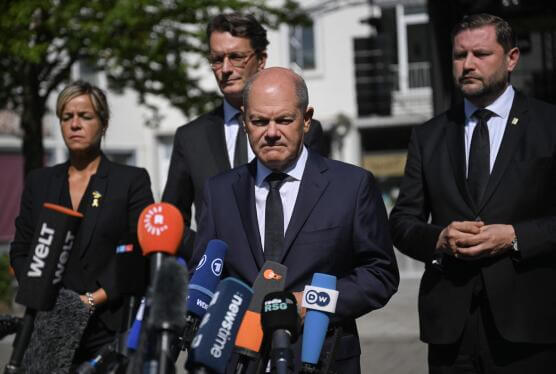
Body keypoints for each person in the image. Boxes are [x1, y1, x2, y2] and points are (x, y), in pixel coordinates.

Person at [191, 67, 399, 373]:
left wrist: (313, 301)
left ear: (306, 119)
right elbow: (204, 276)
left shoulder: (351, 186)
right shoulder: (219, 191)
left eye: (284, 120)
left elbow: (379, 274)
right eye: (260, 121)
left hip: (321, 359)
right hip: (238, 361)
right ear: (245, 121)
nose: (272, 132)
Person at [389, 13, 556, 372]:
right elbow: (402, 222)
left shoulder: (549, 126)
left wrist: (515, 236)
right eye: (459, 55)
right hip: (451, 330)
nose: (467, 65)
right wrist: (440, 238)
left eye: (480, 54)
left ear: (511, 58)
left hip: (531, 327)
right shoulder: (428, 136)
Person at [10, 81, 154, 364]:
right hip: (47, 326)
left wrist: (90, 301)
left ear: (103, 123)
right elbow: (21, 250)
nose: (75, 124)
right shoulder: (39, 182)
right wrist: (48, 299)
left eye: (85, 116)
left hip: (107, 328)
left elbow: (137, 253)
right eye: (67, 117)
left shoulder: (131, 181)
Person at [162, 12, 324, 259]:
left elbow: (316, 208)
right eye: (217, 59)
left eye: (236, 57)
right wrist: (210, 255)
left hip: (288, 279)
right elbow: (171, 220)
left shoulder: (301, 129)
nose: (225, 69)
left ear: (260, 60)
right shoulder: (190, 138)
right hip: (218, 286)